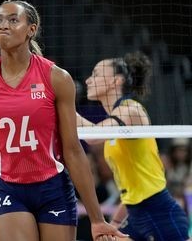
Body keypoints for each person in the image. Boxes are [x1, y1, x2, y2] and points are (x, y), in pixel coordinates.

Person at [0, 0, 126, 241]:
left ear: (31, 29)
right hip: (9, 187)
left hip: (53, 187)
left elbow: (72, 150)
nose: (3, 26)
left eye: (13, 20)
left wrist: (97, 219)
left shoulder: (57, 78)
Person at [77, 51, 190, 240]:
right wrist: (113, 224)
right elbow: (132, 189)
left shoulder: (132, 110)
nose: (88, 80)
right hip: (137, 215)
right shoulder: (114, 124)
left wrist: (62, 103)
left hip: (159, 212)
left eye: (96, 74)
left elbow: (92, 137)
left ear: (116, 81)